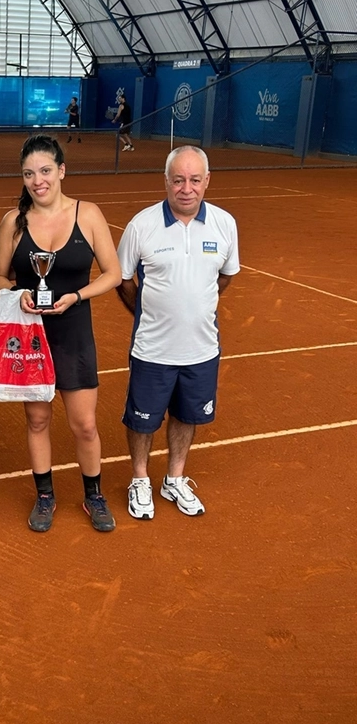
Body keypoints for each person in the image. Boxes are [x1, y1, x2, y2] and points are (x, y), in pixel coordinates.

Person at [0, 135, 121, 533]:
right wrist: (17, 295)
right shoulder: (13, 222)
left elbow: (114, 274)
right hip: (30, 336)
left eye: (45, 171)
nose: (37, 181)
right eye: (29, 173)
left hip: (74, 332)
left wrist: (76, 296)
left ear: (61, 171)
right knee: (37, 420)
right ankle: (45, 495)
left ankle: (93, 495)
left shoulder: (89, 214)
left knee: (84, 424)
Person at [116, 145, 240, 519]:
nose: (187, 188)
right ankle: (140, 480)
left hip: (202, 349)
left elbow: (226, 276)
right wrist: (148, 311)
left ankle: (174, 478)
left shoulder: (224, 224)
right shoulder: (142, 225)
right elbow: (123, 280)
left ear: (206, 182)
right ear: (166, 181)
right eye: (178, 179)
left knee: (188, 416)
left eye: (195, 180)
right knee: (142, 420)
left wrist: (196, 303)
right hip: (152, 348)